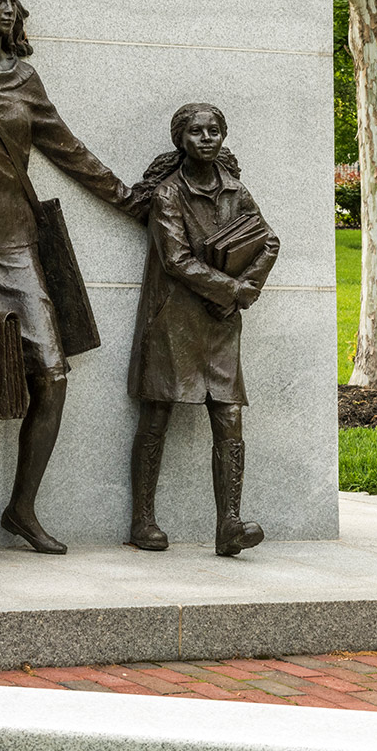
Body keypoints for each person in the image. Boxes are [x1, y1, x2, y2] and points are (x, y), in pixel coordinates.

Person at [0, 0, 133, 560]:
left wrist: (128, 199)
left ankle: (21, 507)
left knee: (50, 375)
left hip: (18, 244)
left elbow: (66, 146)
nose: (8, 8)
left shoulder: (24, 77)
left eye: (12, 1)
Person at [125, 103, 279, 557]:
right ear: (181, 140)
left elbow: (268, 239)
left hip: (220, 323)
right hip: (173, 319)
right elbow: (175, 259)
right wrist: (231, 290)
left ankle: (229, 524)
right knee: (157, 416)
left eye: (214, 130)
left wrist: (248, 287)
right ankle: (142, 519)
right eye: (196, 131)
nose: (206, 138)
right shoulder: (168, 195)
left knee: (229, 418)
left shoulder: (236, 189)